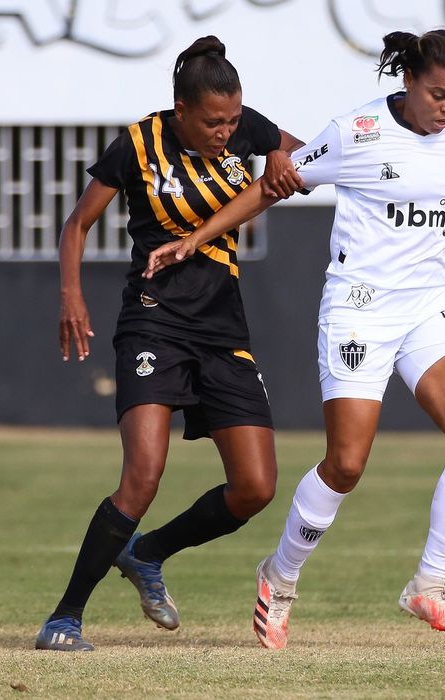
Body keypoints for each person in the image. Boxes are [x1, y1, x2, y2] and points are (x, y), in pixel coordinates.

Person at [144, 28, 445, 650]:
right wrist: (195, 239)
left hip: (428, 307)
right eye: (439, 94)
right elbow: (272, 185)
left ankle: (427, 585)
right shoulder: (356, 133)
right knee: (347, 464)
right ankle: (279, 576)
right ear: (409, 81)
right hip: (359, 310)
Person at [35, 35, 305, 652]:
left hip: (222, 328)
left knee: (256, 487)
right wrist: (71, 295)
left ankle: (147, 553)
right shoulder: (138, 143)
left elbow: (296, 153)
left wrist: (277, 162)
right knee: (143, 475)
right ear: (180, 110)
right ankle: (65, 618)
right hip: (153, 320)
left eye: (234, 119)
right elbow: (78, 224)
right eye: (213, 121)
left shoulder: (245, 129)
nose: (225, 131)